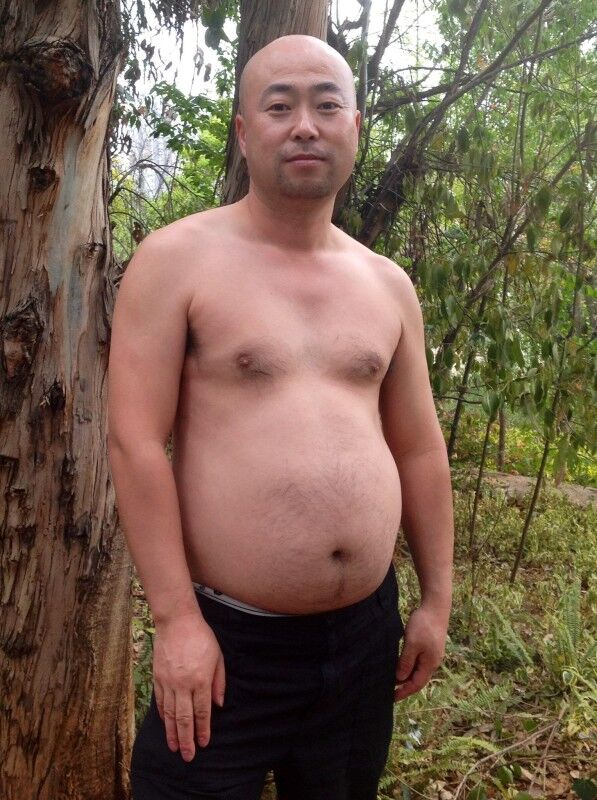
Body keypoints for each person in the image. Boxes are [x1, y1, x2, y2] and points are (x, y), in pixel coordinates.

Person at [107, 34, 453, 800]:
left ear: (354, 127)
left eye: (326, 105)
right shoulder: (177, 261)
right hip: (227, 641)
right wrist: (176, 620)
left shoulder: (385, 284)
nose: (304, 125)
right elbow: (136, 444)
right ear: (243, 131)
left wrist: (435, 599)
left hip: (364, 637)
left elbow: (419, 449)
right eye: (279, 106)